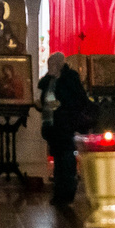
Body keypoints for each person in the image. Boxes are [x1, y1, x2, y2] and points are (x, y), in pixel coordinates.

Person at [39, 50, 90, 205]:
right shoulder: (50, 79)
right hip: (52, 124)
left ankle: (67, 193)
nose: (50, 67)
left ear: (59, 65)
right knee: (58, 161)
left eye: (52, 65)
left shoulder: (70, 78)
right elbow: (43, 91)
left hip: (66, 124)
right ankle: (58, 193)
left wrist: (62, 105)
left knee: (67, 160)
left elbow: (78, 99)